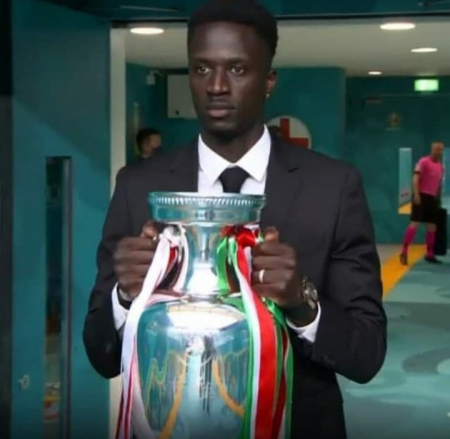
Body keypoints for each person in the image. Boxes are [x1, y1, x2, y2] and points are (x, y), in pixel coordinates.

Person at [83, 1, 386, 438]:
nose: (217, 86)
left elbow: (367, 353)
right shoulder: (139, 187)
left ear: (269, 81)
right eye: (202, 69)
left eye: (238, 69)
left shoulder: (333, 188)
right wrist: (125, 297)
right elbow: (100, 356)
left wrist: (301, 301)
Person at [400, 142, 445, 265]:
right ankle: (404, 251)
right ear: (432, 149)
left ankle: (429, 253)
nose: (438, 152)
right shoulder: (423, 161)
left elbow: (438, 184)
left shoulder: (440, 166)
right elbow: (415, 178)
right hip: (421, 195)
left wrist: (438, 198)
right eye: (437, 149)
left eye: (440, 150)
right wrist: (416, 194)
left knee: (432, 226)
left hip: (432, 198)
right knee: (414, 224)